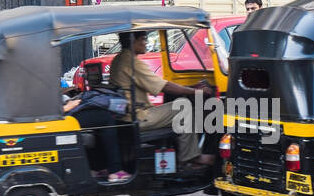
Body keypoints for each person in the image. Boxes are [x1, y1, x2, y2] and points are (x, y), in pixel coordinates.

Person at [108, 31, 215, 171]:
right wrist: (196, 91)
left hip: (128, 116)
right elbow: (164, 86)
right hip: (138, 117)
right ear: (133, 40)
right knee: (183, 107)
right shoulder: (132, 62)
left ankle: (181, 154)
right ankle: (191, 158)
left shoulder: (120, 59)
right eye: (143, 39)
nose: (146, 42)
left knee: (182, 108)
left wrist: (189, 88)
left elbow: (159, 84)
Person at [63, 64, 131, 183]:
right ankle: (115, 171)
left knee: (99, 116)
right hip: (61, 117)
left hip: (63, 110)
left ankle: (98, 167)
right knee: (106, 118)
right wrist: (68, 106)